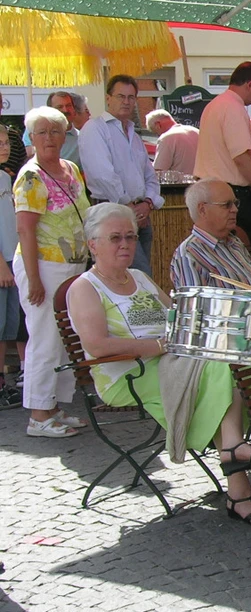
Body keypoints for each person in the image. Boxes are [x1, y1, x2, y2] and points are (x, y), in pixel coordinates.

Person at [68, 202, 251, 524]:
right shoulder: (85, 287)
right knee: (216, 370)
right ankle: (235, 454)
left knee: (223, 362)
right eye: (115, 238)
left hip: (171, 360)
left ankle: (237, 481)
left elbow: (178, 315)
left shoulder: (139, 277)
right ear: (93, 244)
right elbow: (95, 345)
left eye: (131, 237)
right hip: (127, 373)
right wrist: (157, 346)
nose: (125, 244)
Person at [13, 107, 91, 438]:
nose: (49, 138)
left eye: (55, 131)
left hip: (70, 265)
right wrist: (33, 279)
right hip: (43, 265)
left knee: (63, 339)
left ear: (64, 135)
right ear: (31, 137)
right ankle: (38, 414)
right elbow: (25, 230)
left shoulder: (70, 168)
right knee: (45, 339)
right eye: (41, 132)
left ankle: (55, 405)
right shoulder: (30, 176)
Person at [194, 62, 251, 265]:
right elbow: (241, 158)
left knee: (220, 253)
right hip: (230, 192)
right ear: (250, 84)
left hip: (210, 189)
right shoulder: (233, 108)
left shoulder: (215, 105)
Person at [79, 74, 163, 275]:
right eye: (120, 96)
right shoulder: (94, 129)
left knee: (138, 278)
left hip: (140, 214)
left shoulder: (133, 132)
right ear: (108, 98)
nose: (126, 102)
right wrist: (129, 209)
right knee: (135, 276)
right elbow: (102, 175)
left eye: (131, 97)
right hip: (110, 213)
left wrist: (148, 202)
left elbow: (149, 175)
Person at [170, 179, 251, 290]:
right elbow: (194, 305)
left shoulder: (234, 243)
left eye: (235, 203)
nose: (235, 210)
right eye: (227, 205)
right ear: (202, 210)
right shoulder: (189, 255)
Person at [0, 117, 26, 401]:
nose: (4, 147)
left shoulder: (6, 176)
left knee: (8, 325)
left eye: (6, 142)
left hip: (10, 257)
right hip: (1, 261)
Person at [21, 92, 81, 166]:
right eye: (60, 107)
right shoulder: (35, 131)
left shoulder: (82, 138)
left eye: (68, 105)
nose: (65, 110)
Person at [147, 109, 200, 174]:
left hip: (181, 182)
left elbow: (159, 170)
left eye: (156, 132)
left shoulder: (166, 138)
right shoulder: (196, 131)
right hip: (204, 181)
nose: (158, 135)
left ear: (158, 125)